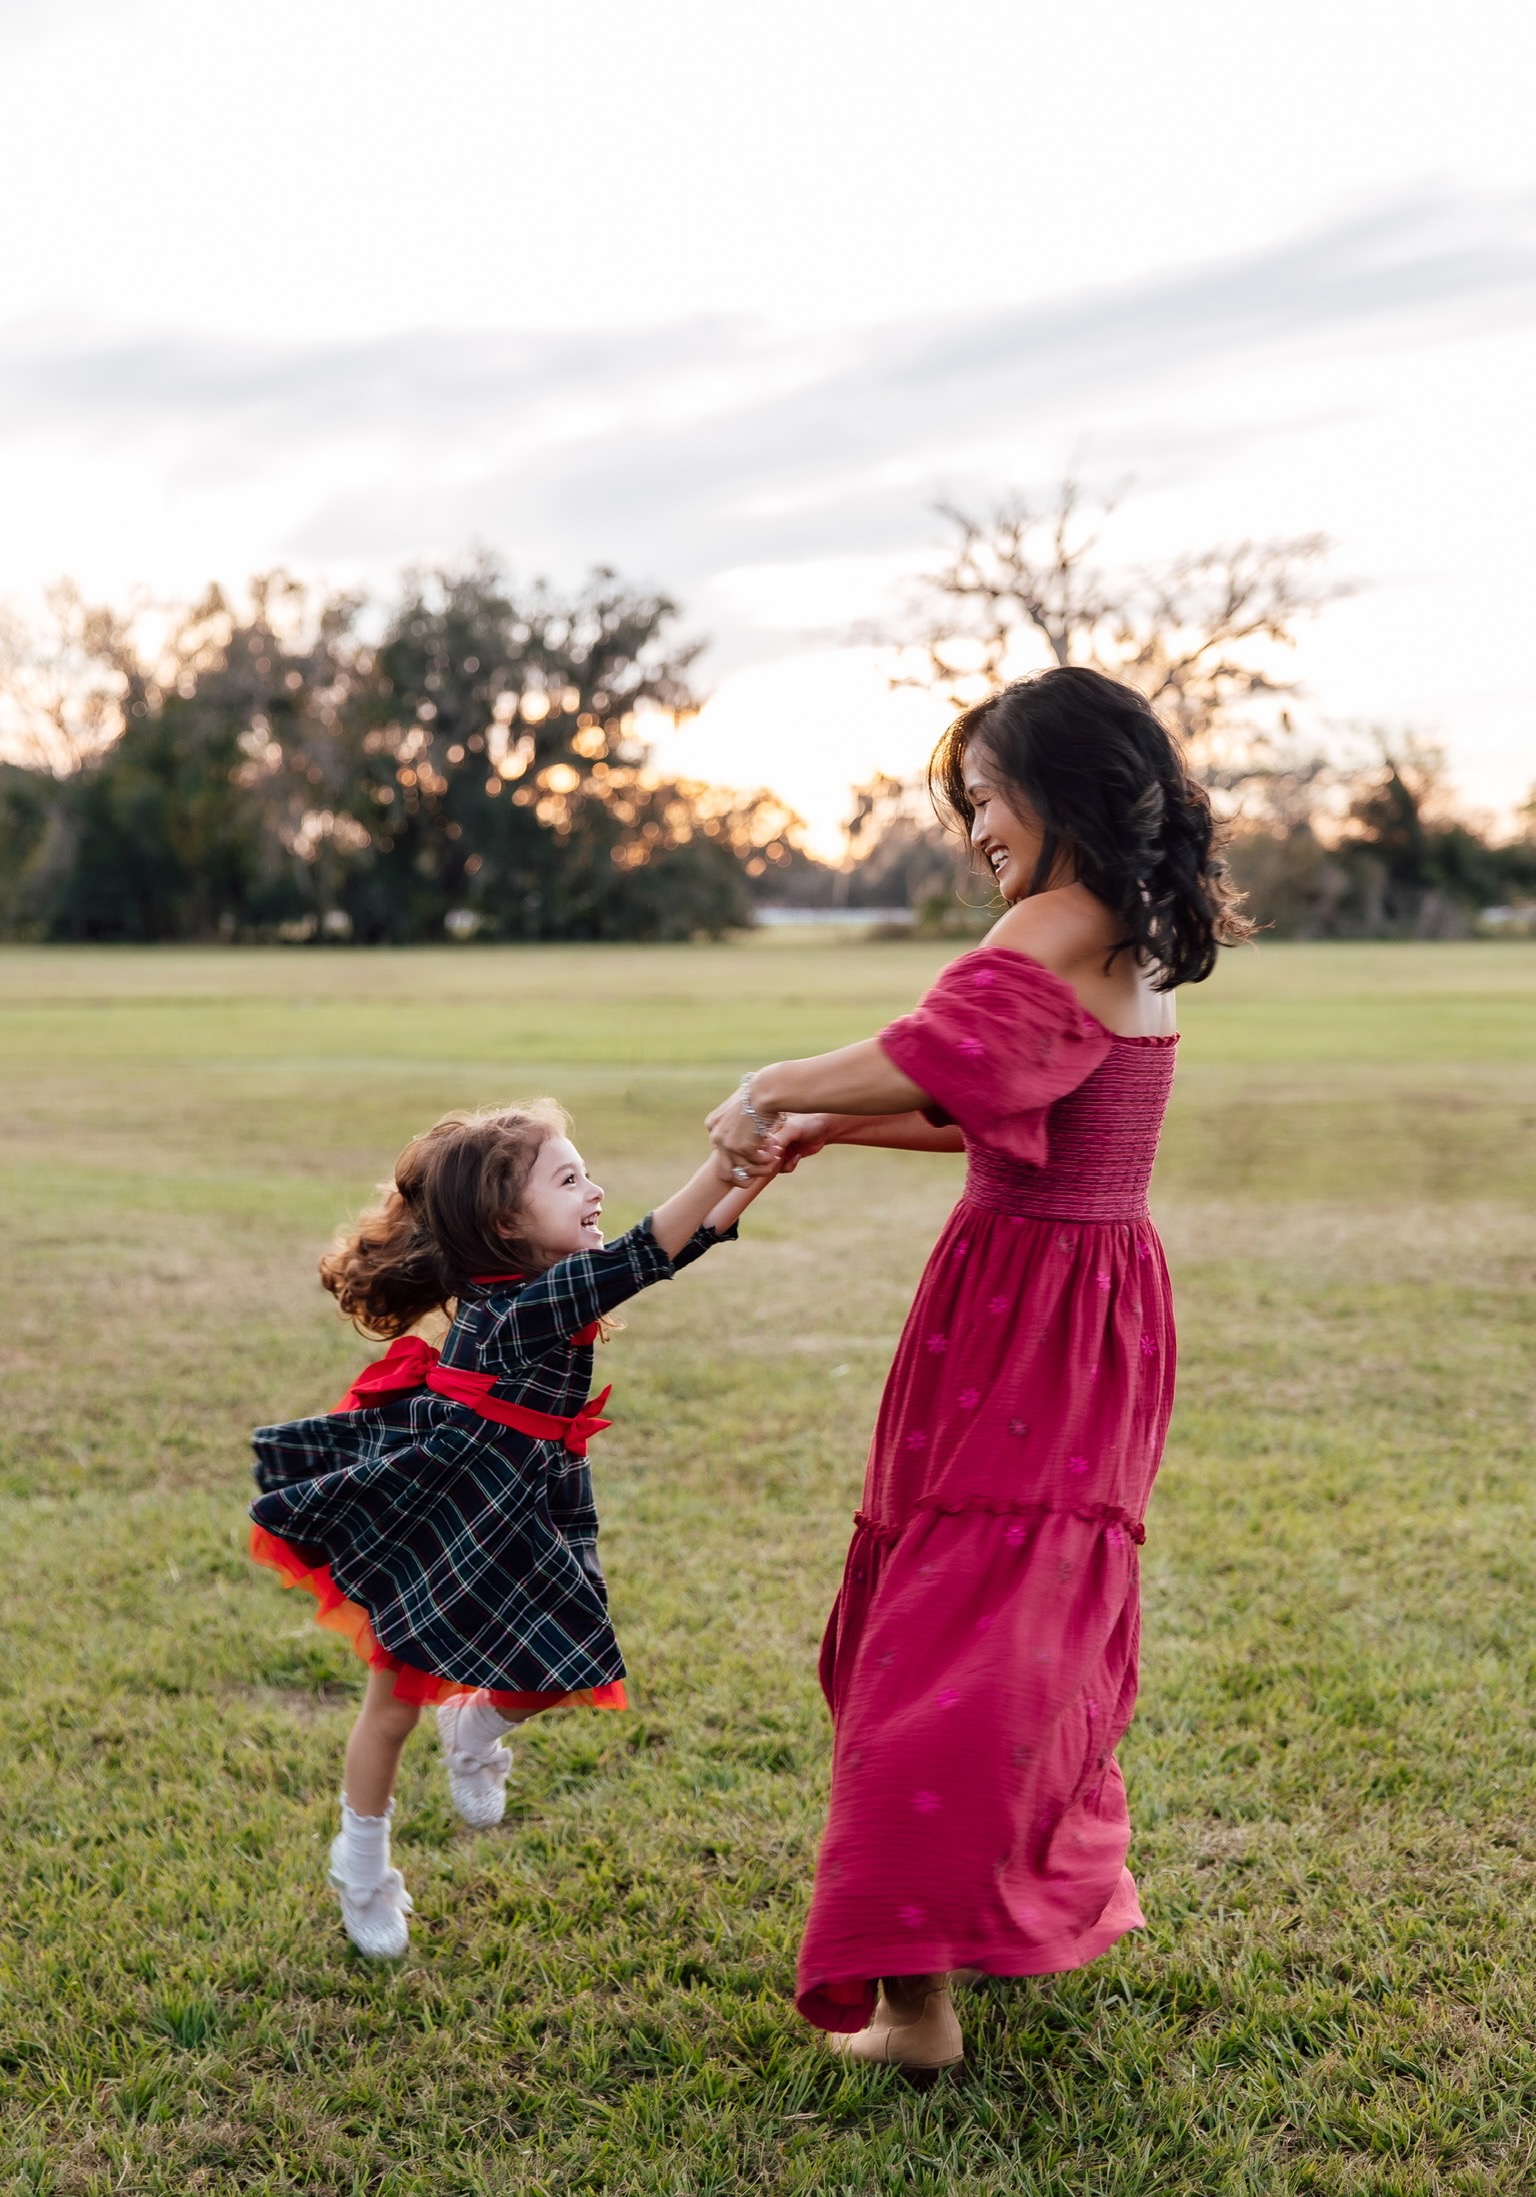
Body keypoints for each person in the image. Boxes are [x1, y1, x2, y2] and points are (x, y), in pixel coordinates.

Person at [709, 665, 1250, 2073]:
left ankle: (916, 2012)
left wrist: (775, 1087)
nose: (972, 834)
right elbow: (990, 1104)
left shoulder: (1056, 919)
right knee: (1013, 1627)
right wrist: (837, 1136)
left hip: (1024, 1313)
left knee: (936, 1645)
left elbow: (928, 1051)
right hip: (1086, 1311)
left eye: (984, 800)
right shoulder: (1125, 932)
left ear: (1057, 791)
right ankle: (994, 1918)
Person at [251, 1099, 773, 1959]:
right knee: (391, 1709)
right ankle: (362, 1864)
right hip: (448, 1509)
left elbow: (686, 1243)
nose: (595, 1190)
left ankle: (476, 1726)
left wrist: (750, 1178)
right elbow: (650, 1253)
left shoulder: (545, 1284)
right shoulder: (528, 1302)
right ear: (504, 1223)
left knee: (561, 1666)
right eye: (570, 1180)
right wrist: (726, 1163)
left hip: (528, 1500)